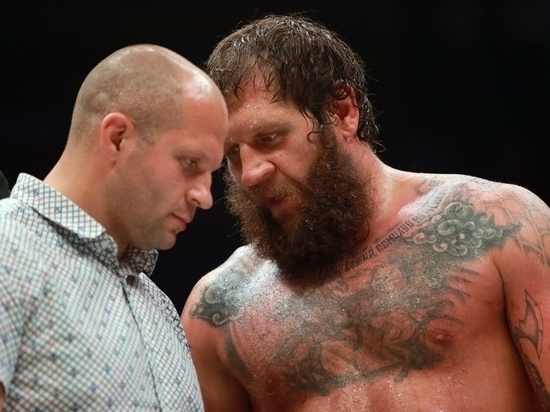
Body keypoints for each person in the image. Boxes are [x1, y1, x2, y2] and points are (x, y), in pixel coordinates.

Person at [181, 14, 550, 412]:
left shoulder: (499, 224)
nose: (250, 173)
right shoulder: (218, 311)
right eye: (232, 153)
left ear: (342, 111)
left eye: (270, 138)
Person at [0, 44, 228, 411]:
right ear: (117, 138)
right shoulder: (7, 247)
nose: (205, 196)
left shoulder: (160, 308)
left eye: (211, 174)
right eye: (190, 163)